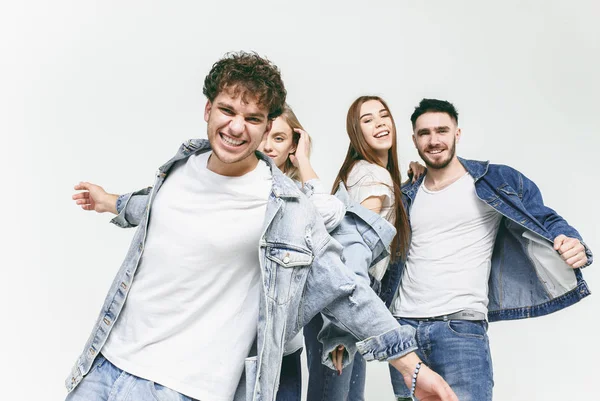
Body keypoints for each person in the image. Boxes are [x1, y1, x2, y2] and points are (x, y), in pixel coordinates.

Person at [64, 52, 457, 401]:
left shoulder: (284, 205)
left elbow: (344, 286)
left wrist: (411, 367)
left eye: (252, 119)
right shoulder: (180, 168)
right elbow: (151, 207)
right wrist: (108, 201)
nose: (236, 127)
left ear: (268, 127)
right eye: (227, 111)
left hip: (181, 386)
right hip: (103, 365)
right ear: (208, 110)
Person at [387, 98, 593, 400]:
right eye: (425, 133)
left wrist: (572, 241)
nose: (434, 140)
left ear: (457, 133)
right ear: (414, 140)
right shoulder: (407, 194)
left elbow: (544, 216)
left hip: (460, 329)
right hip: (403, 331)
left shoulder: (492, 180)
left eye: (442, 130)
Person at [304, 95, 415, 401]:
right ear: (357, 133)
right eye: (367, 120)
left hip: (338, 304)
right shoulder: (373, 177)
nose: (379, 123)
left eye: (383, 116)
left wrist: (409, 182)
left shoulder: (366, 172)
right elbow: (352, 253)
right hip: (342, 307)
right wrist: (338, 332)